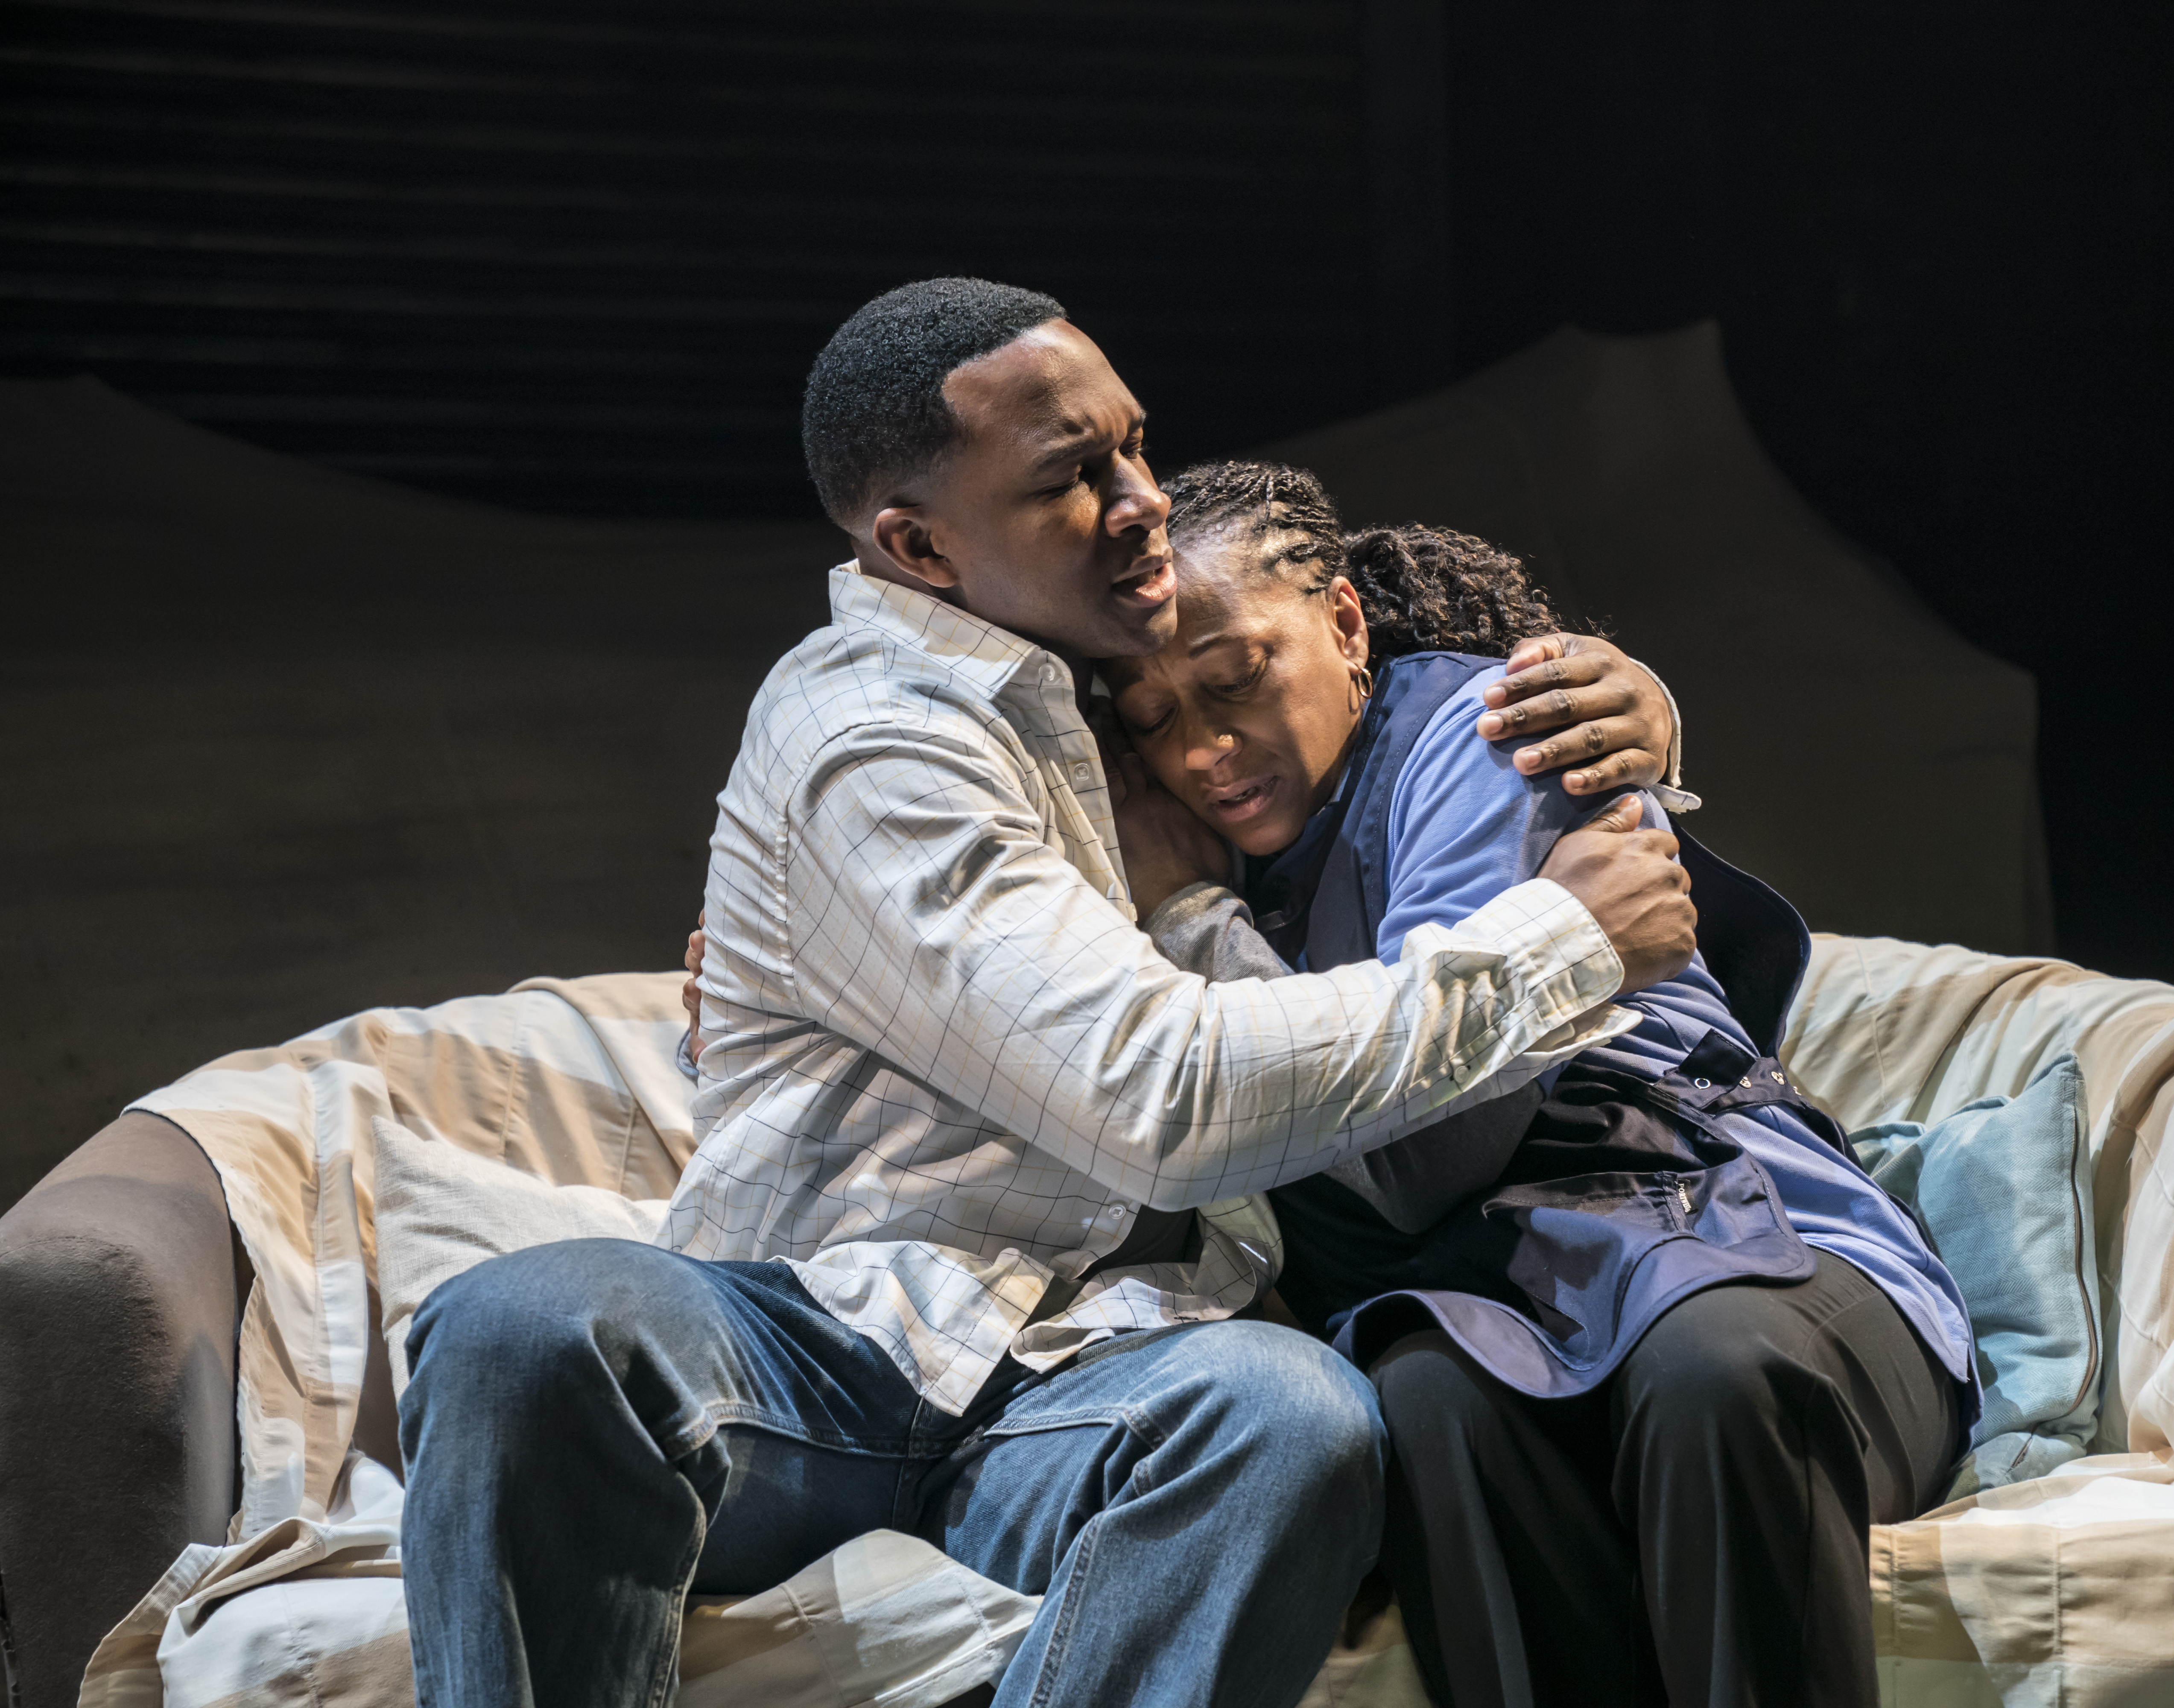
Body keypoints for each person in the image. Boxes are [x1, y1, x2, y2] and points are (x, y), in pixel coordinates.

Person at [397, 277, 1701, 1708]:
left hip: (1102, 1375)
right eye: (1075, 478)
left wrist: (1625, 694)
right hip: (828, 1352)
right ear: (916, 545)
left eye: (1135, 445)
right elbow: (1163, 1096)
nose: (1141, 499)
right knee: (528, 1325)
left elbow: (1316, 609)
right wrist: (1558, 943)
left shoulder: (1096, 685)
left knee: (1289, 1416)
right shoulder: (874, 738)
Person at [1094, 459, 1977, 1708]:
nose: (1204, 748)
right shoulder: (1165, 843)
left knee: (1714, 1375)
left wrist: (1194, 920)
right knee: (1427, 1406)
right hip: (1472, 1291)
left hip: (1722, 1231)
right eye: (1149, 717)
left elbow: (1426, 1159)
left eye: (1236, 678)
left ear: (1344, 624)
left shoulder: (1483, 731)